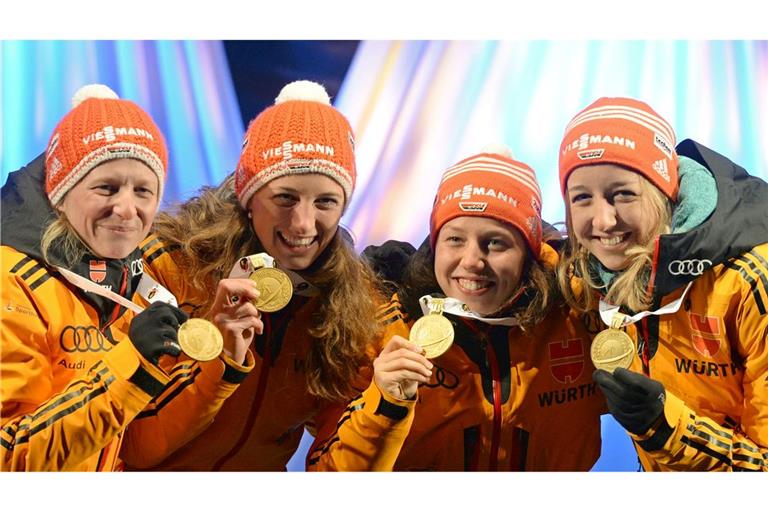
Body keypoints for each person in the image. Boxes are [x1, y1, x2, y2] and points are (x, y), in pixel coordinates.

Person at [127, 80, 386, 470]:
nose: (303, 224)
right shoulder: (172, 266)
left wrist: (388, 409)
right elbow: (133, 447)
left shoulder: (349, 303)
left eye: (326, 202)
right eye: (285, 198)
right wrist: (220, 358)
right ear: (248, 198)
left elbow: (334, 460)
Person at [0, 84, 259, 471]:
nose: (126, 209)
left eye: (143, 191)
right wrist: (131, 365)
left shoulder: (131, 282)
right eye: (106, 187)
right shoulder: (11, 282)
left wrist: (220, 361)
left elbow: (135, 448)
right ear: (60, 191)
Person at [307, 145, 605, 471]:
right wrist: (385, 404)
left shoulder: (579, 313)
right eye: (455, 240)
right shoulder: (382, 330)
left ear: (529, 252)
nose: (472, 262)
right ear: (435, 243)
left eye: (495, 242)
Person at [556, 96, 768, 471]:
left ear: (664, 193)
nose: (603, 221)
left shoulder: (749, 284)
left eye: (623, 193)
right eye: (582, 198)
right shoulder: (591, 277)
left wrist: (666, 428)